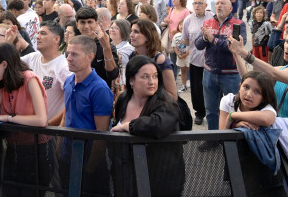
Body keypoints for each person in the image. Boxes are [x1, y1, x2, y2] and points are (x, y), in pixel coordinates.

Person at [0, 43, 52, 196]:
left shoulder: (29, 79)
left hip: (37, 150)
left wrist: (8, 118)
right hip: (14, 149)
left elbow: (41, 120)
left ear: (4, 64)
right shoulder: (3, 84)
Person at [111, 56, 184, 196]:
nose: (152, 82)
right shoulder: (123, 98)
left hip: (159, 180)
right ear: (131, 80)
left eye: (155, 76)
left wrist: (130, 126)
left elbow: (159, 125)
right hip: (126, 175)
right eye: (145, 77)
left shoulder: (166, 102)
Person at [60, 35, 114, 194]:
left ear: (90, 57)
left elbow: (101, 134)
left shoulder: (100, 89)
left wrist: (90, 167)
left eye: (74, 54)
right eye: (68, 53)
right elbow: (66, 115)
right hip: (68, 156)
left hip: (88, 161)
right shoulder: (69, 81)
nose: (69, 58)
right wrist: (58, 149)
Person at [229, 26, 288, 118]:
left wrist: (243, 53)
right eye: (287, 41)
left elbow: (273, 73)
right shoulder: (281, 69)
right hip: (278, 129)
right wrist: (236, 54)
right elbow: (247, 77)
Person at [194, 0, 245, 130]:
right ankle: (213, 139)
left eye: (223, 3)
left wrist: (213, 39)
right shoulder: (208, 22)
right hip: (209, 72)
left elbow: (234, 47)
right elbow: (198, 45)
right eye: (217, 3)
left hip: (231, 75)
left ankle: (231, 140)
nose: (219, 6)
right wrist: (205, 37)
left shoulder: (238, 24)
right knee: (211, 110)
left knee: (233, 110)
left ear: (230, 8)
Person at [21, 21, 71, 124]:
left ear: (56, 39)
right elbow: (8, 64)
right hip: (28, 128)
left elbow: (72, 101)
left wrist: (50, 125)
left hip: (49, 132)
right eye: (38, 33)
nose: (38, 37)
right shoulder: (32, 57)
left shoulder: (63, 67)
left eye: (43, 33)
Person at [130, 19, 178, 99]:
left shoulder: (160, 60)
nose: (131, 35)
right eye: (131, 31)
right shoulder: (133, 56)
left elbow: (173, 96)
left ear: (148, 36)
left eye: (136, 32)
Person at [75, 6, 119, 86]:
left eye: (90, 22)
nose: (86, 26)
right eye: (82, 22)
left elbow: (112, 74)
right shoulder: (74, 46)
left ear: (96, 23)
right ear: (77, 25)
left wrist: (106, 48)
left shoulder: (106, 46)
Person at [109, 19, 134, 86]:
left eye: (116, 28)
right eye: (111, 27)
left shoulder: (129, 49)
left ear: (124, 31)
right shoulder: (108, 45)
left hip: (121, 83)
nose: (112, 30)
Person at [172, 20, 189, 92]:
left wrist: (187, 54)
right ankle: (183, 85)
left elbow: (192, 46)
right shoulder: (176, 36)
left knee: (191, 70)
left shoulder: (189, 34)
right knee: (183, 71)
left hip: (188, 56)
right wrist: (178, 54)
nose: (182, 26)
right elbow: (174, 46)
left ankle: (194, 84)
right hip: (180, 56)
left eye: (183, 25)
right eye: (180, 25)